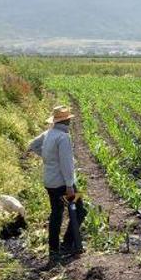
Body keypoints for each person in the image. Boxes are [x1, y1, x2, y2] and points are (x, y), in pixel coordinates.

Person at [28, 105, 86, 263]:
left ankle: (54, 250)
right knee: (80, 211)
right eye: (69, 119)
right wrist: (69, 186)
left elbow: (32, 145)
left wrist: (48, 158)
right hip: (63, 183)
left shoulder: (49, 133)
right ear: (67, 120)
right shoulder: (63, 137)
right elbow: (67, 164)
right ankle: (67, 244)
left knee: (56, 213)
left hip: (49, 181)